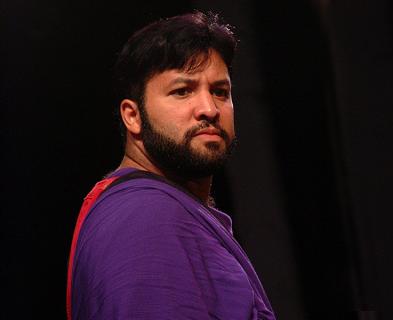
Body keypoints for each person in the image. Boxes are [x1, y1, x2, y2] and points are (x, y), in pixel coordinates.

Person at [66, 11, 276, 320]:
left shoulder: (162, 209)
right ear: (133, 116)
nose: (209, 109)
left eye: (220, 91)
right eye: (182, 91)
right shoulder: (144, 216)